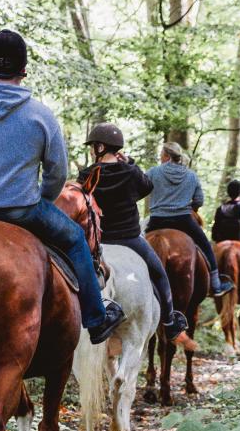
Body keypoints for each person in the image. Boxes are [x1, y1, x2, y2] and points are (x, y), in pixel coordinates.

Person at [0, 29, 124, 345]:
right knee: (75, 239)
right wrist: (42, 199)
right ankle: (96, 318)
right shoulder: (40, 114)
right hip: (23, 211)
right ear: (23, 70)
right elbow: (57, 171)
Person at [77, 123, 196, 351]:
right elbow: (146, 187)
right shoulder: (131, 173)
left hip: (98, 242)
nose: (92, 149)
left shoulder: (87, 174)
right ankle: (170, 323)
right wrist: (130, 164)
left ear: (101, 147)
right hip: (129, 239)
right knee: (160, 274)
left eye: (94, 146)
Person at [145, 141, 234, 297]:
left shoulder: (153, 172)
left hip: (156, 220)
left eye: (161, 155)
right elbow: (199, 200)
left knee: (135, 243)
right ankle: (216, 285)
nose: (160, 158)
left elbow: (141, 188)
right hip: (184, 220)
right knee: (206, 247)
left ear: (166, 156)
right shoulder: (191, 176)